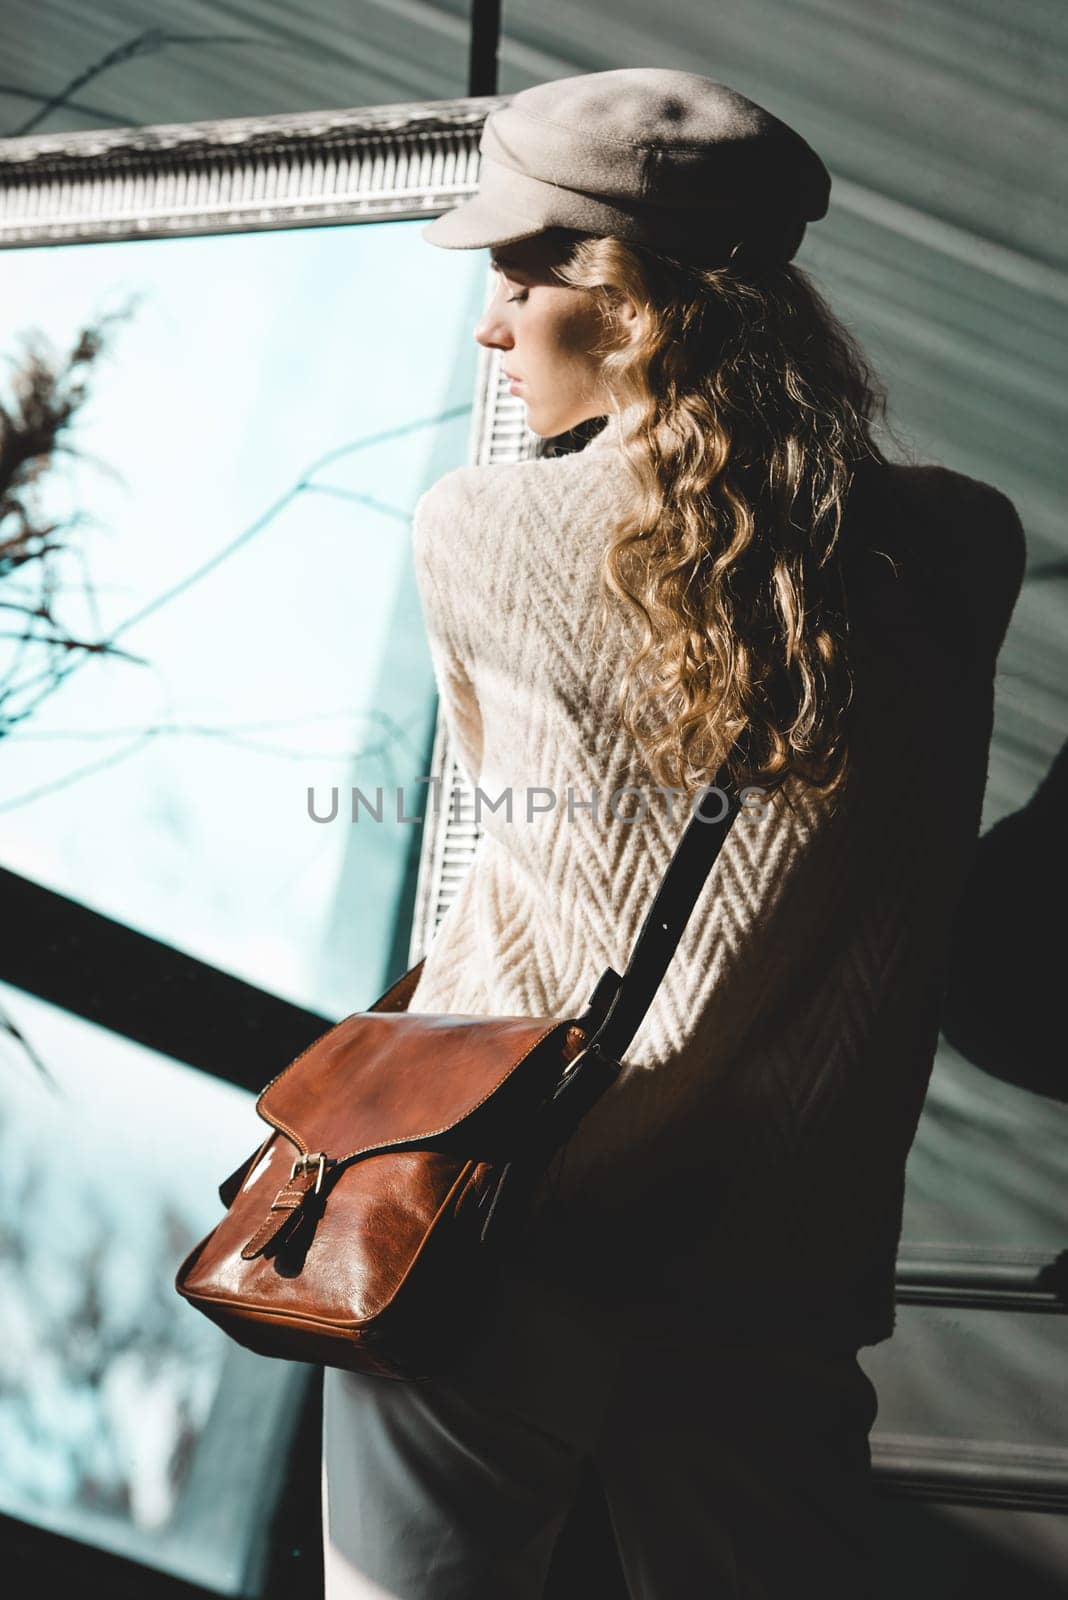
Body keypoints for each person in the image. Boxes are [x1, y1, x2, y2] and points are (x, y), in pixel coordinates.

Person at [321, 68, 1026, 1599]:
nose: (492, 324)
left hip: (487, 1230)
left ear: (628, 305)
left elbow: (501, 843)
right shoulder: (964, 545)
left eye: (518, 274)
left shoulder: (475, 526)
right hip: (769, 1289)